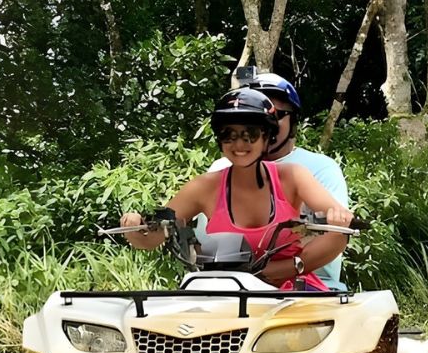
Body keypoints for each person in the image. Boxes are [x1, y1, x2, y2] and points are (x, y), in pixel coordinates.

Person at [120, 88, 354, 292]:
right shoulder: (203, 187)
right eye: (228, 135)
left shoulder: (293, 176)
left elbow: (340, 229)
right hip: (225, 293)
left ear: (266, 137)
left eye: (250, 134)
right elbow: (156, 234)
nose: (239, 144)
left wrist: (289, 266)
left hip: (291, 294)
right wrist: (135, 229)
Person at [207, 72, 351, 291]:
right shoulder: (219, 170)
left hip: (307, 285)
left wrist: (283, 268)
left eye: (276, 114)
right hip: (228, 285)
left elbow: (338, 230)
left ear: (293, 121)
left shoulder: (320, 168)